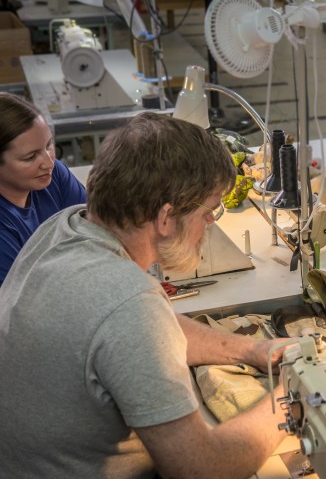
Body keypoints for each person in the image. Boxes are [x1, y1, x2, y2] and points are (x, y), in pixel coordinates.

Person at [0, 113, 286, 477]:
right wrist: (293, 400)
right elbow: (200, 469)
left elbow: (149, 330)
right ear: (166, 217)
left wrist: (252, 350)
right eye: (209, 209)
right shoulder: (129, 304)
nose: (211, 222)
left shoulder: (64, 227)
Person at [0, 92, 86, 285]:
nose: (48, 162)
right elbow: (23, 298)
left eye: (49, 146)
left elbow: (96, 235)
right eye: (30, 157)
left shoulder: (54, 175)